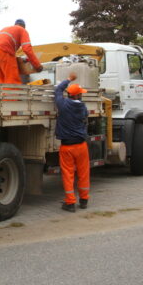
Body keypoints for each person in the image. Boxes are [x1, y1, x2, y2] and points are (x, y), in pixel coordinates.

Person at [54, 73, 90, 212]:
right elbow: (85, 117)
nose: (81, 95)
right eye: (80, 94)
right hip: (81, 146)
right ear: (76, 96)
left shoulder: (62, 105)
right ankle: (84, 200)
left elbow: (57, 91)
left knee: (68, 174)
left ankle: (70, 203)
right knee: (83, 172)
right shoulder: (83, 108)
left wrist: (68, 80)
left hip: (67, 146)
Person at [0, 19, 43, 85]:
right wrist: (37, 65)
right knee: (12, 80)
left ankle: (4, 95)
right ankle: (13, 95)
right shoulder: (22, 30)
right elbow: (27, 49)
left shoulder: (7, 29)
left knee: (2, 79)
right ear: (24, 26)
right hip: (4, 52)